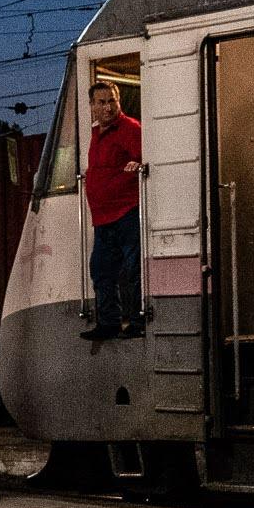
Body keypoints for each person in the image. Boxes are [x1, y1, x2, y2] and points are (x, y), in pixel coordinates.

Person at [81, 80, 143, 342]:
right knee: (101, 270)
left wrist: (135, 164)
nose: (107, 107)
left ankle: (139, 322)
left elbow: (143, 158)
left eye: (112, 101)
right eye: (101, 102)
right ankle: (109, 323)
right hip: (103, 218)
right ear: (92, 106)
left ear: (119, 102)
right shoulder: (96, 135)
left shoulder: (130, 128)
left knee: (134, 268)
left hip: (126, 212)